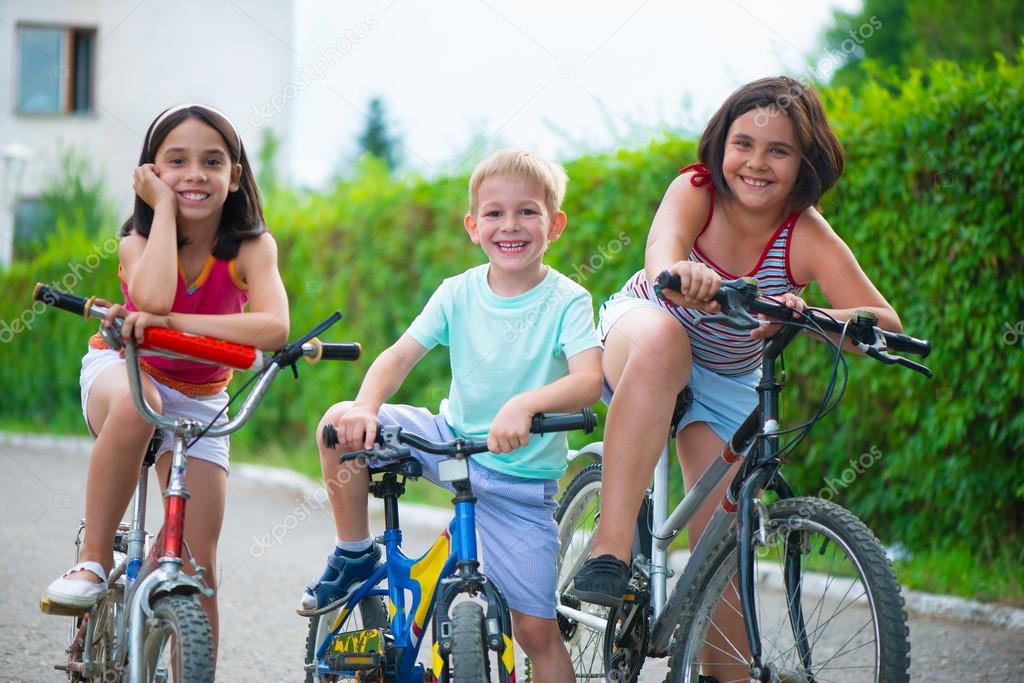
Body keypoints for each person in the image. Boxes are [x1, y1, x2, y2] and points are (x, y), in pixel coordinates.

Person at [571, 76, 903, 682]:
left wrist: (817, 315)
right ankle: (611, 548)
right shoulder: (696, 191)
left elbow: (882, 319)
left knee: (719, 547)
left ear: (806, 162)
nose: (756, 162)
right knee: (667, 341)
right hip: (645, 331)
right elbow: (662, 251)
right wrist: (681, 272)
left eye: (778, 150)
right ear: (721, 146)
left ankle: (726, 673)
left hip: (727, 377)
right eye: (743, 143)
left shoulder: (805, 233)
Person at [297, 148, 603, 682]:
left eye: (528, 212)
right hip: (449, 442)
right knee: (338, 423)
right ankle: (354, 553)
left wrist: (526, 404)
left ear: (554, 224)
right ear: (472, 226)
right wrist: (367, 407)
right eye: (494, 213)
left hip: (520, 484)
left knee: (537, 633)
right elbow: (397, 357)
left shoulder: (567, 300)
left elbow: (587, 380)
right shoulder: (457, 292)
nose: (510, 225)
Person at [41, 104, 290, 665]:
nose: (195, 174)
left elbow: (273, 327)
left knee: (198, 566)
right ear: (150, 173)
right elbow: (151, 299)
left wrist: (176, 325)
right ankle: (93, 558)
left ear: (237, 177)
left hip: (203, 398)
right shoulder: (137, 239)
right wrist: (163, 212)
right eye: (176, 162)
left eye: (213, 161)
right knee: (139, 405)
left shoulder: (254, 247)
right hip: (127, 372)